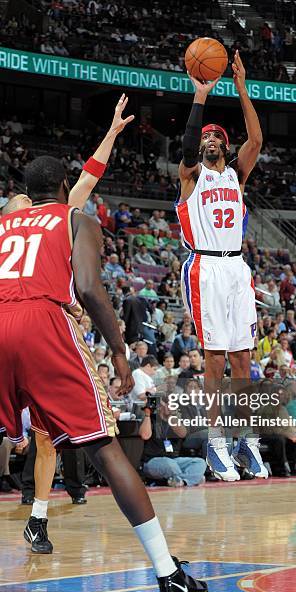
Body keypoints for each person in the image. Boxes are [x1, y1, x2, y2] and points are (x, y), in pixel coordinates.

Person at [0, 154, 208, 592]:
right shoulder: (77, 220)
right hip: (42, 325)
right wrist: (118, 351)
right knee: (104, 446)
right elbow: (92, 288)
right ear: (64, 185)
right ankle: (168, 575)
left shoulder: (5, 224)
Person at [2, 95, 136, 554]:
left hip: (21, 329)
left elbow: (86, 177)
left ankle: (38, 518)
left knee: (45, 440)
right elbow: (81, 181)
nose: (22, 203)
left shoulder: (31, 220)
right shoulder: (24, 225)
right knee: (62, 440)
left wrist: (113, 133)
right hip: (39, 329)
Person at [177, 51, 265, 480]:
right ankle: (215, 444)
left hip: (237, 269)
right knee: (214, 362)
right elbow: (186, 144)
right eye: (204, 137)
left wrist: (242, 85)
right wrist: (201, 97)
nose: (209, 139)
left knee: (243, 361)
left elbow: (257, 140)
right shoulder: (192, 175)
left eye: (216, 136)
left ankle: (246, 441)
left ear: (225, 146)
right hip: (205, 268)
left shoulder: (235, 175)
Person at [140, 397, 206, 487]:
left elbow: (182, 433)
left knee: (200, 462)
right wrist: (147, 414)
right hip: (152, 461)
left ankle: (182, 481)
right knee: (169, 464)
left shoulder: (174, 421)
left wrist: (171, 415)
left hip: (174, 460)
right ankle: (193, 478)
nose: (171, 407)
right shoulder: (151, 419)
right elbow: (145, 435)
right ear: (159, 406)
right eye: (168, 404)